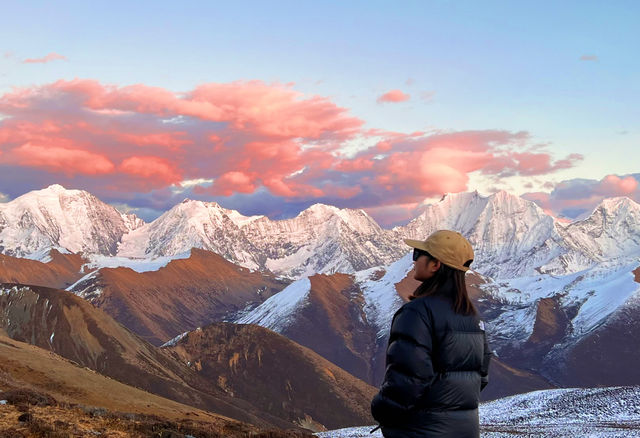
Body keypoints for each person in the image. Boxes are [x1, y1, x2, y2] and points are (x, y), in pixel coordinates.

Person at [371, 230, 491, 438]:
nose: (414, 260)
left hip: (420, 431)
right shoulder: (472, 316)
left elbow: (408, 379)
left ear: (435, 265)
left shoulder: (417, 312)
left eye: (418, 254)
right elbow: (480, 375)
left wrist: (380, 409)